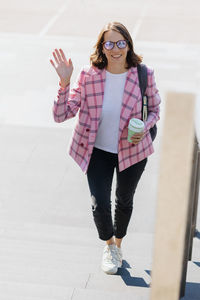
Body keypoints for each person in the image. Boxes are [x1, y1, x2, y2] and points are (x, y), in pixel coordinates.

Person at [50, 21, 161, 275]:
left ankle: (118, 245)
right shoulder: (89, 76)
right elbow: (61, 115)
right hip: (97, 150)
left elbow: (155, 110)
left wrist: (145, 126)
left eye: (121, 43)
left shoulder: (144, 74)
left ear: (128, 45)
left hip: (132, 150)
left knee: (124, 200)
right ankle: (109, 245)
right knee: (99, 202)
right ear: (102, 47)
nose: (115, 49)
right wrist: (64, 84)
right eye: (109, 43)